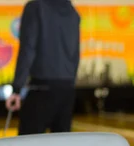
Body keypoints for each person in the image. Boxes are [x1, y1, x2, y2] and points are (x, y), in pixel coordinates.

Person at [5, 0, 80, 135]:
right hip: (67, 90)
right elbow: (75, 55)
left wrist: (17, 88)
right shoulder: (73, 13)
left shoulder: (35, 8)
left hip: (42, 89)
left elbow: (28, 50)